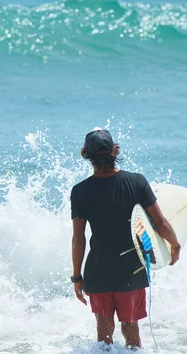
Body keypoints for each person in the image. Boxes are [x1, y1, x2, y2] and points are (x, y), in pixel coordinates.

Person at [70, 128, 181, 349]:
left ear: (86, 154)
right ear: (114, 150)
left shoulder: (80, 191)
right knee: (131, 328)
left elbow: (78, 238)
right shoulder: (137, 182)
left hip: (98, 269)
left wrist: (77, 276)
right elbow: (160, 223)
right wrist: (175, 244)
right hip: (131, 269)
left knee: (104, 332)